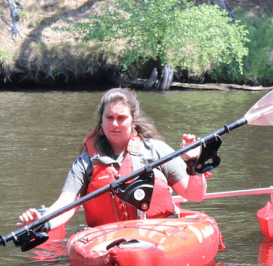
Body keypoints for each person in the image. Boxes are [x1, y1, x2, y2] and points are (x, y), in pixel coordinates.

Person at [18, 88, 208, 231]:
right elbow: (66, 204)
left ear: (133, 121)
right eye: (109, 117)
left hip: (160, 234)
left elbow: (195, 195)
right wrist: (42, 222)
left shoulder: (157, 151)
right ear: (102, 121)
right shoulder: (86, 163)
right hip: (108, 238)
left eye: (121, 118)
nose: (114, 124)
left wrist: (194, 165)